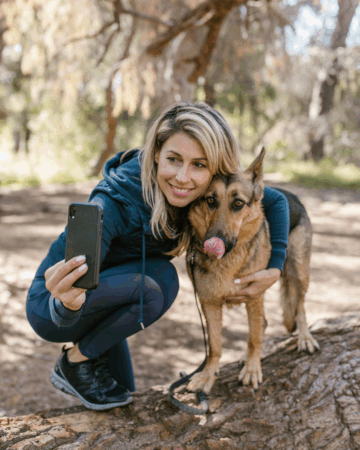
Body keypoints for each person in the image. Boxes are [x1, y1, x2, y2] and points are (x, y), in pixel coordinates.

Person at [26, 102, 289, 411]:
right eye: (174, 160)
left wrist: (276, 267)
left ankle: (85, 359)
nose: (182, 177)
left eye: (199, 165)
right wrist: (67, 307)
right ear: (155, 155)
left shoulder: (212, 190)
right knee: (162, 281)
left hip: (111, 300)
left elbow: (277, 200)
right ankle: (74, 361)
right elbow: (71, 282)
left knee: (122, 401)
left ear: (215, 169)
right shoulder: (112, 203)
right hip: (56, 308)